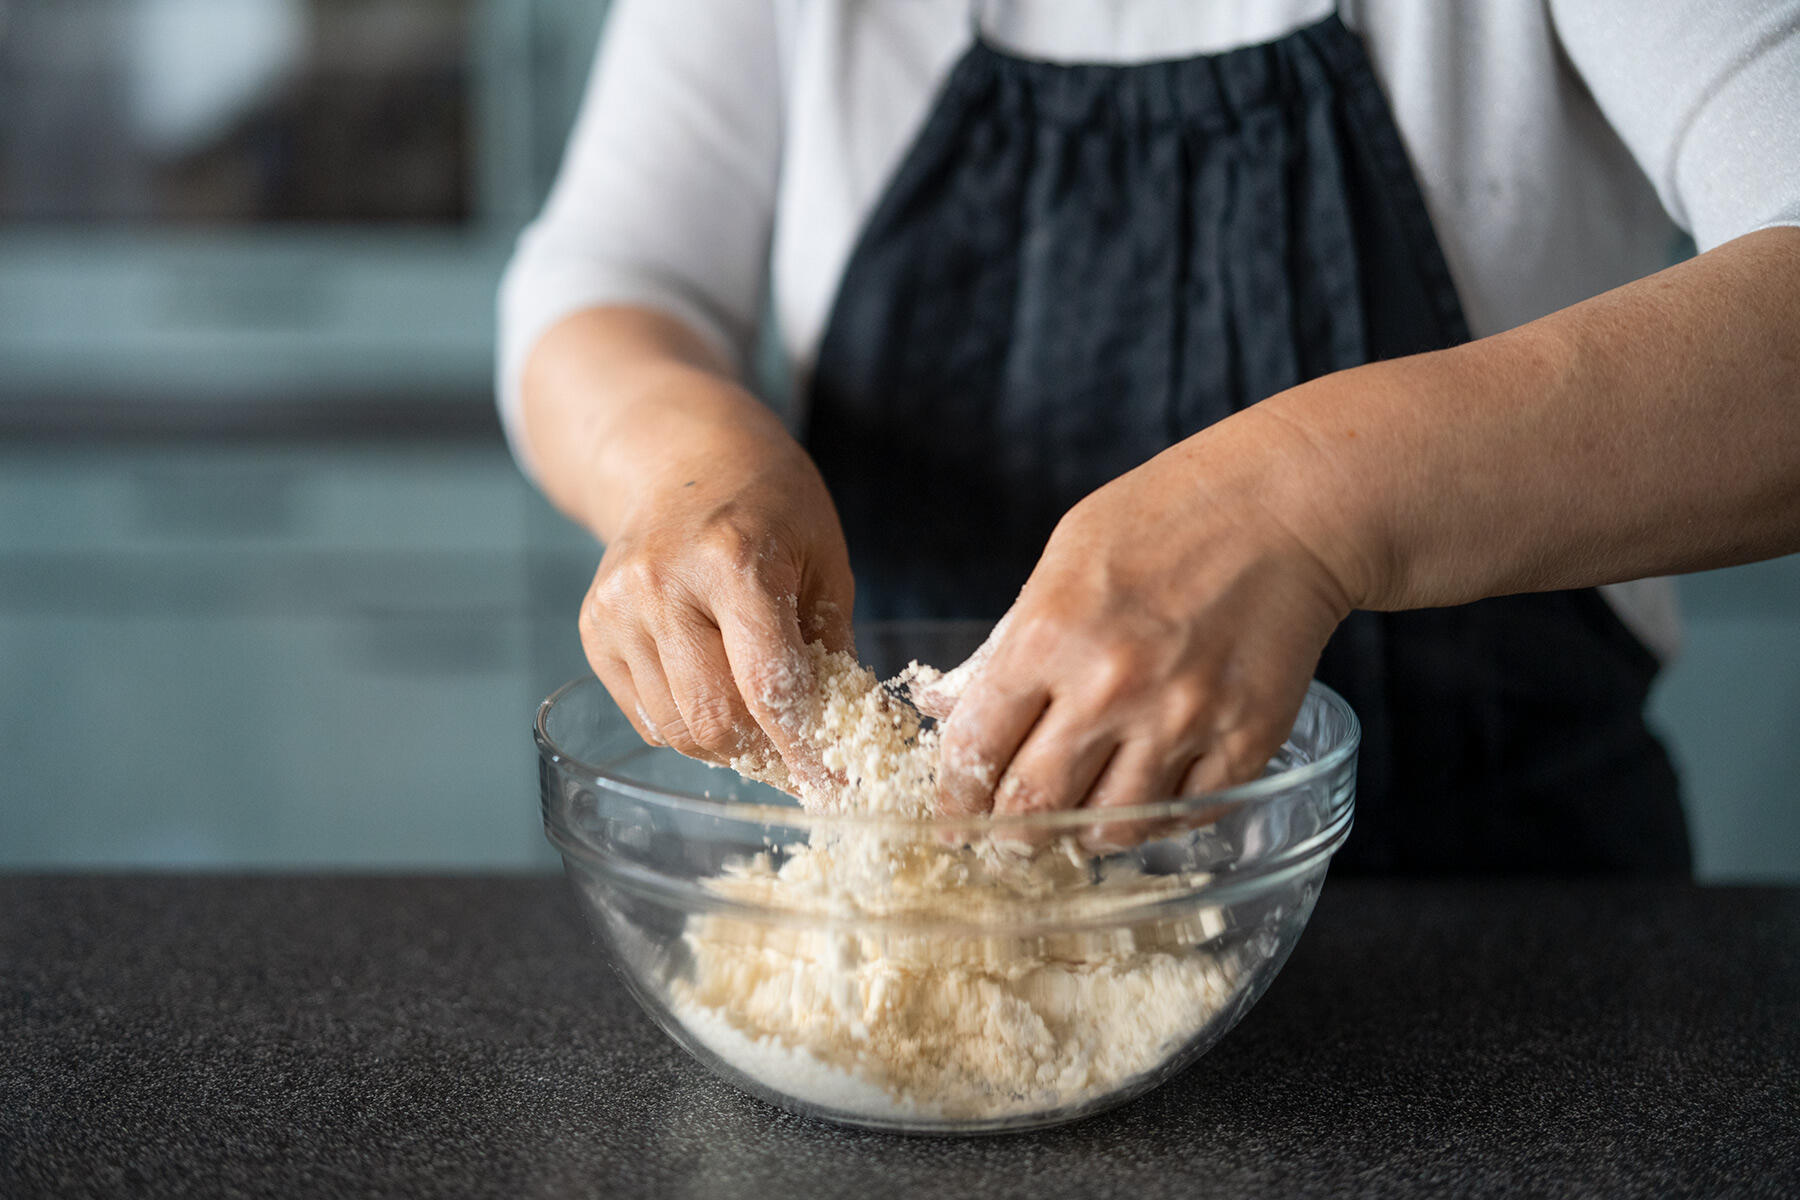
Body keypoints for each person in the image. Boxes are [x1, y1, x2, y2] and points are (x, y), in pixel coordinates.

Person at [498, 1, 1800, 873]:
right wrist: (687, 465)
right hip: (928, 947)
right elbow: (606, 280)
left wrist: (1296, 508)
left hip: (1520, 930)